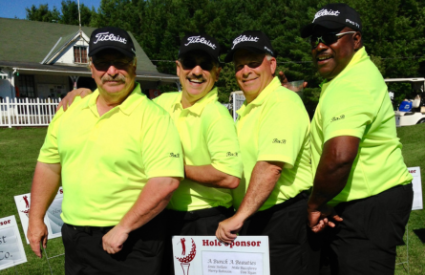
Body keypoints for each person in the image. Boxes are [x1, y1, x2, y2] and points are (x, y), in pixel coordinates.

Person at [58, 33, 242, 275]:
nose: (196, 71)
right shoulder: (164, 102)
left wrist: (170, 169)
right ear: (178, 68)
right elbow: (125, 100)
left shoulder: (216, 115)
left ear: (217, 73)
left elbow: (229, 176)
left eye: (206, 65)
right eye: (189, 63)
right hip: (165, 217)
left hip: (203, 219)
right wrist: (84, 93)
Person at [27, 26, 184, 275]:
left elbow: (165, 182)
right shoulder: (70, 111)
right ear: (91, 67)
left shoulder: (153, 117)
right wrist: (36, 219)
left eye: (120, 61)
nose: (111, 71)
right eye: (102, 62)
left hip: (131, 240)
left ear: (133, 65)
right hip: (77, 239)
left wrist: (123, 227)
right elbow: (48, 165)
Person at [300, 4, 413, 274]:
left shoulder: (351, 82)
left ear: (356, 39)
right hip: (365, 202)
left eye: (329, 37)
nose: (319, 46)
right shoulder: (348, 77)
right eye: (314, 40)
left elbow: (339, 157)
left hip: (368, 206)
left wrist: (316, 204)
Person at [215, 30, 313, 274]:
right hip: (258, 215)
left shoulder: (281, 102)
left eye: (253, 63)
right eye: (239, 66)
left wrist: (239, 217)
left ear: (272, 64)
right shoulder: (250, 108)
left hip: (283, 218)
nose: (246, 71)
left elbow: (271, 166)